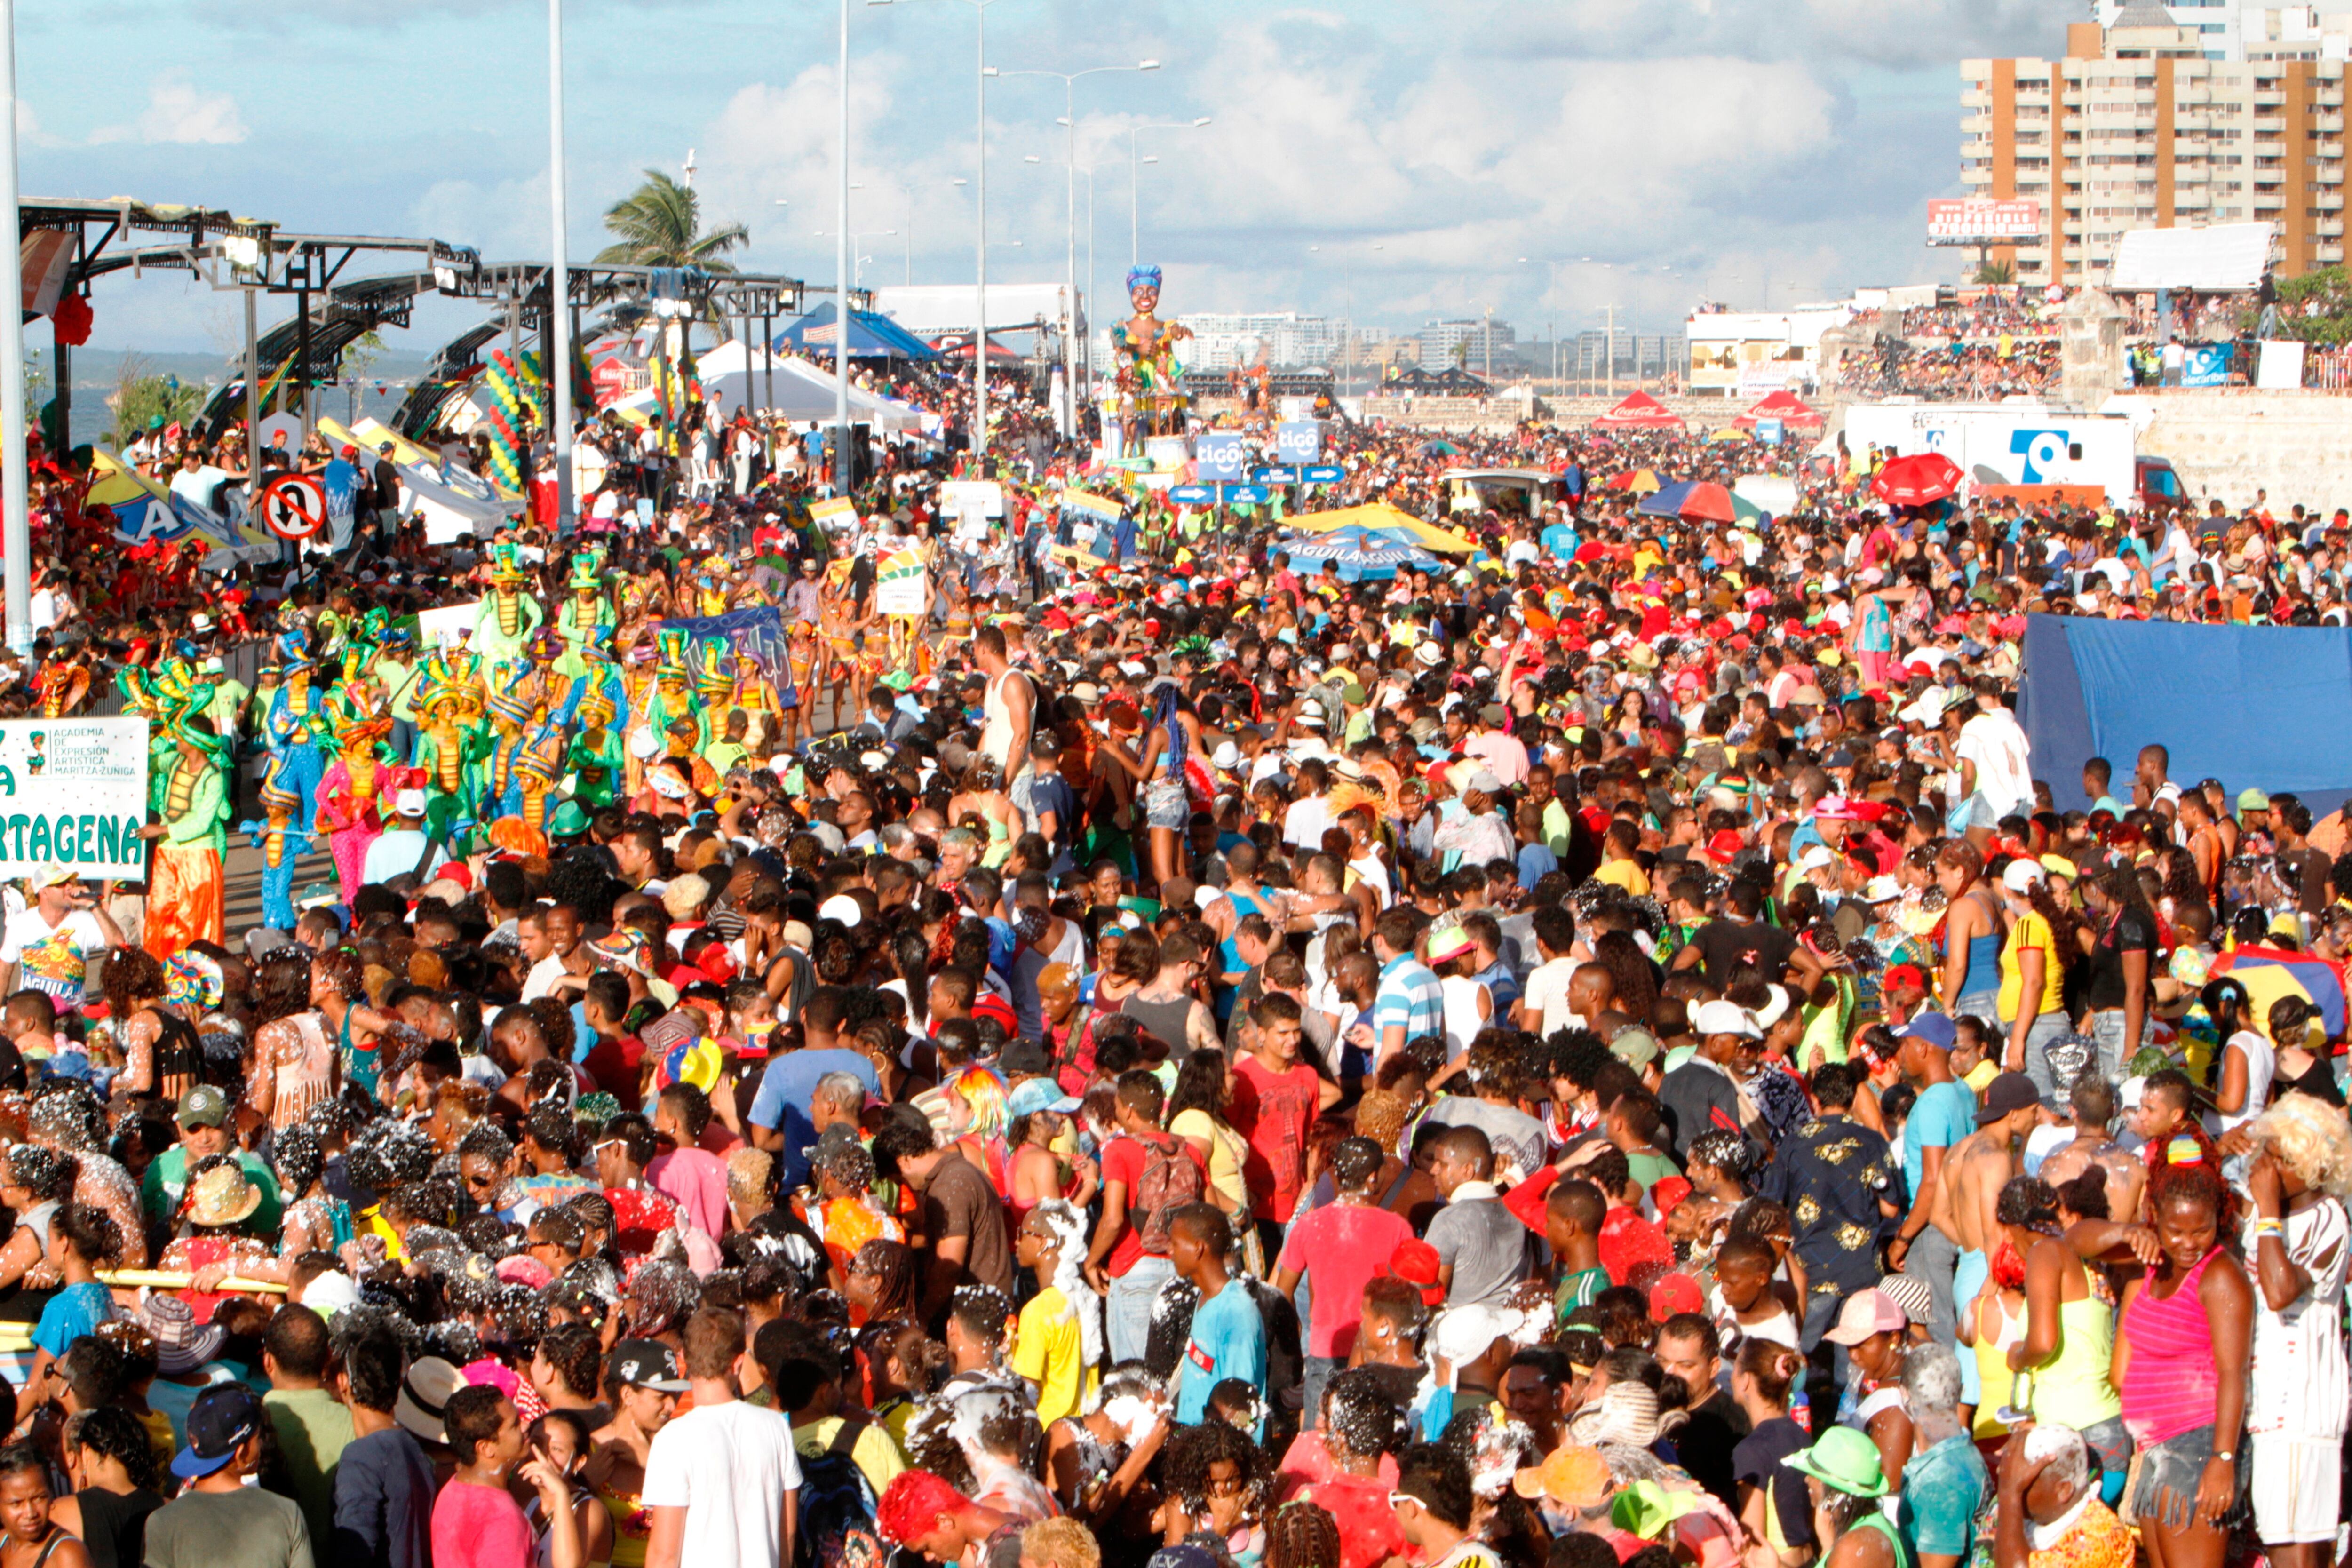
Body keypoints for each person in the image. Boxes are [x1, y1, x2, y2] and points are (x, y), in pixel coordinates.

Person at [2114, 1152, 2253, 1568]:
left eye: (2203, 1229)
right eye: (2176, 1230)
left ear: (2220, 1218)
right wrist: (2126, 1231)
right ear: (2154, 1217)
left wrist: (2222, 1459)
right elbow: (2075, 1239)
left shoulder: (2220, 1276)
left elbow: (2234, 1374)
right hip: (2157, 1448)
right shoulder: (2157, 1262)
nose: (2190, 1242)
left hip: (2197, 1448)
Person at [2240, 1095, 2352, 1568]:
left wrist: (2265, 1211)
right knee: (2277, 1532)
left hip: (2301, 1402)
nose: (2264, 1168)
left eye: (2277, 1159)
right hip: (2265, 1396)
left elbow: (2280, 1290)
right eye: (2263, 1153)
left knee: (2294, 1543)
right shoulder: (2264, 1219)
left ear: (2309, 1166)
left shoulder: (2327, 1220)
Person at [641, 1306, 803, 1568]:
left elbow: (664, 1554)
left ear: (684, 1359)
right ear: (738, 1364)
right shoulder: (776, 1427)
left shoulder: (672, 1439)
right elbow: (788, 1533)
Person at [141, 1385, 313, 1568]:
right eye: (257, 1438)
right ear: (241, 1453)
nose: (262, 1444)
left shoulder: (162, 1522)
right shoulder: (287, 1513)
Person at [430, 1384, 582, 1568]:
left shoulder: (451, 1489)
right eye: (515, 1425)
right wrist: (561, 1493)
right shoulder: (502, 1518)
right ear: (486, 1448)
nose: (527, 1425)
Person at [331, 1328, 436, 1568]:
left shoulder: (361, 1457)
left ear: (344, 1383)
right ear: (398, 1384)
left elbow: (356, 1551)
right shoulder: (415, 1448)